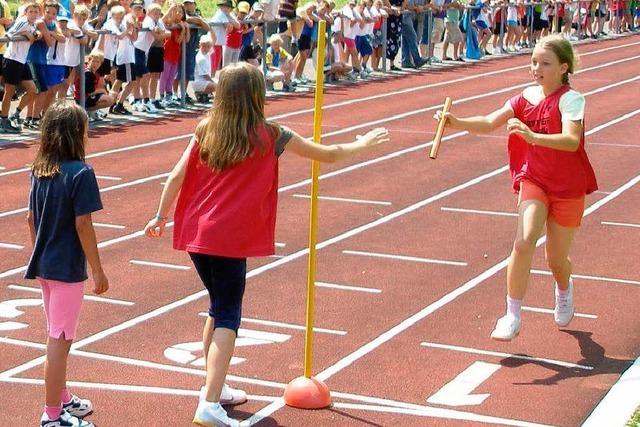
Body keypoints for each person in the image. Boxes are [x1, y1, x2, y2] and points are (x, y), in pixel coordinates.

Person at [143, 62, 389, 427]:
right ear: (257, 95)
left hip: (197, 234)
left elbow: (176, 175)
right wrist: (361, 144)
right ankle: (209, 403)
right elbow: (329, 154)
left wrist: (160, 216)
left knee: (217, 306)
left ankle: (216, 386)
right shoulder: (271, 134)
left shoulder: (205, 129)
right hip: (228, 238)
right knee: (228, 314)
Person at [434, 35, 597, 341]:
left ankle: (564, 287)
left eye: (545, 63)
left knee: (555, 260)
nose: (537, 68)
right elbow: (489, 121)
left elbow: (571, 140)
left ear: (563, 67)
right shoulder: (524, 97)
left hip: (567, 186)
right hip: (534, 179)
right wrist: (456, 122)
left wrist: (532, 137)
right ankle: (512, 314)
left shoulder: (571, 100)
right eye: (534, 61)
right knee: (523, 242)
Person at [26, 100, 109, 427]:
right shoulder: (81, 173)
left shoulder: (39, 169)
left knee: (60, 334)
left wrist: (40, 253)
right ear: (78, 134)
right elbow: (83, 224)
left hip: (46, 265)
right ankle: (52, 416)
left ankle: (61, 399)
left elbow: (30, 218)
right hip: (66, 269)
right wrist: (98, 270)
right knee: (59, 340)